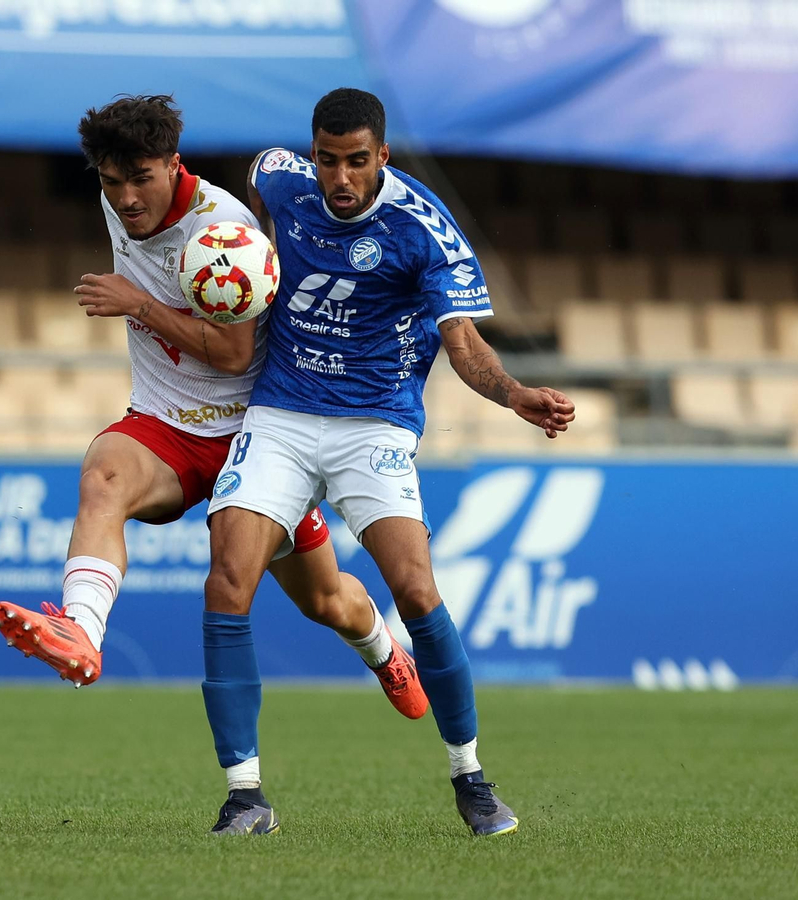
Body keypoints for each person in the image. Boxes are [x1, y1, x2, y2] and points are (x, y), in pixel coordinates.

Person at [0, 96, 427, 822]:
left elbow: (230, 353)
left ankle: (384, 650)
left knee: (327, 600)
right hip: (163, 425)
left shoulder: (223, 230)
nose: (126, 197)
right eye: (109, 180)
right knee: (102, 474)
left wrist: (138, 303)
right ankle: (82, 634)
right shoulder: (122, 203)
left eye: (140, 177)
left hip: (252, 439)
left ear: (172, 165)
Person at [202, 88, 576, 837]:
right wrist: (259, 247)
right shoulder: (284, 179)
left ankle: (470, 775)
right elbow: (258, 171)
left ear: (383, 159)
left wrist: (514, 395)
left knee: (414, 588)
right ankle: (246, 796)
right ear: (314, 155)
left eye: (357, 162)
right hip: (281, 411)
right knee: (229, 578)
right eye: (329, 161)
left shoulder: (423, 231)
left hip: (374, 422)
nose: (341, 178)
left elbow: (464, 346)